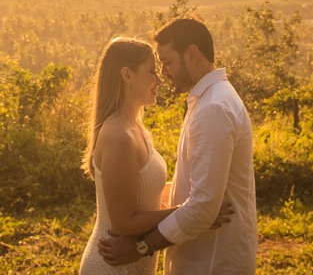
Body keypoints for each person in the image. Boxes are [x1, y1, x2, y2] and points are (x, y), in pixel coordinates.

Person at [99, 16, 257, 274]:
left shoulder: (214, 108)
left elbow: (203, 208)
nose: (163, 73)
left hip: (210, 262)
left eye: (168, 62)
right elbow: (196, 191)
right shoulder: (207, 101)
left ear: (192, 54)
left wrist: (141, 246)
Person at [79, 37, 206, 274]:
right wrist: (194, 213)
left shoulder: (135, 127)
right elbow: (124, 222)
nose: (159, 80)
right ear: (127, 75)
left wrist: (203, 196)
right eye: (151, 71)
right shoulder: (119, 137)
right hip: (112, 267)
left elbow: (148, 192)